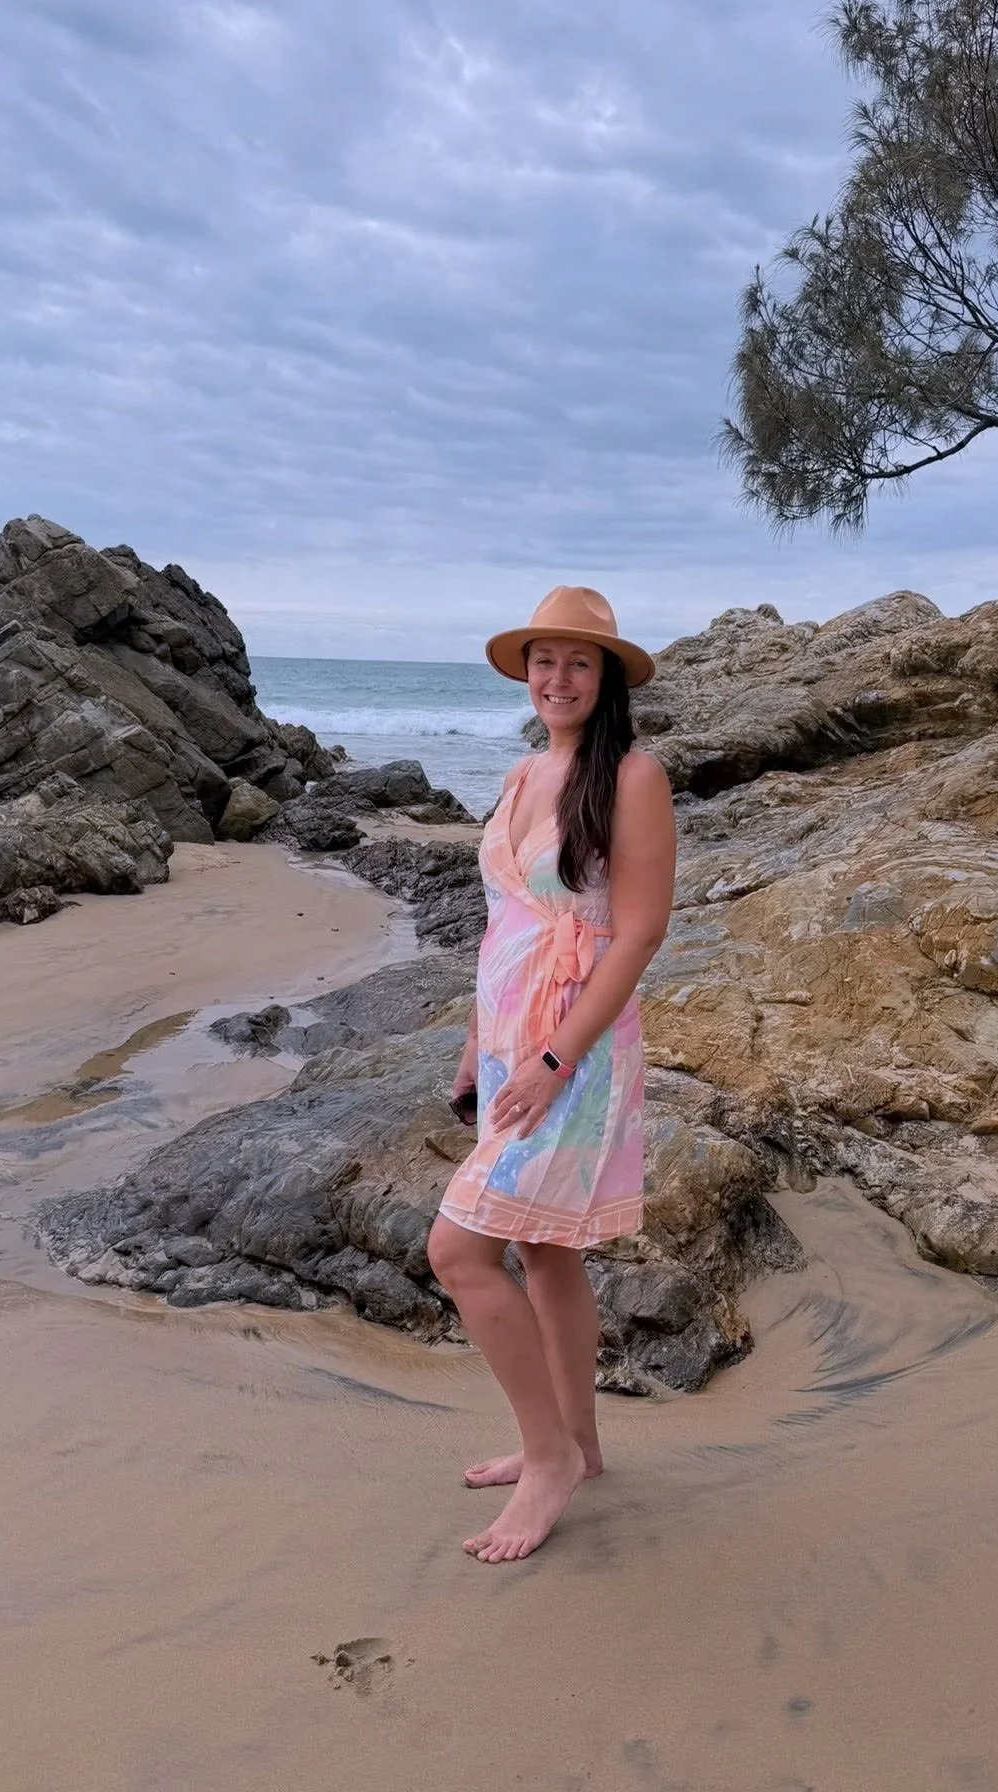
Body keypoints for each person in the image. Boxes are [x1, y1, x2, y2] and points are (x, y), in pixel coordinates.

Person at [427, 586, 676, 1565]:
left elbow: (638, 932)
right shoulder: (523, 772)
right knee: (544, 1249)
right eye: (544, 660)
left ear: (606, 677)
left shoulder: (633, 777)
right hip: (509, 1043)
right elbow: (507, 924)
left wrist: (551, 1058)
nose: (558, 678)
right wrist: (476, 1043)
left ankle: (548, 1459)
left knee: (458, 1251)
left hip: (575, 1050)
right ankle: (581, 1443)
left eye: (579, 662)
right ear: (525, 672)